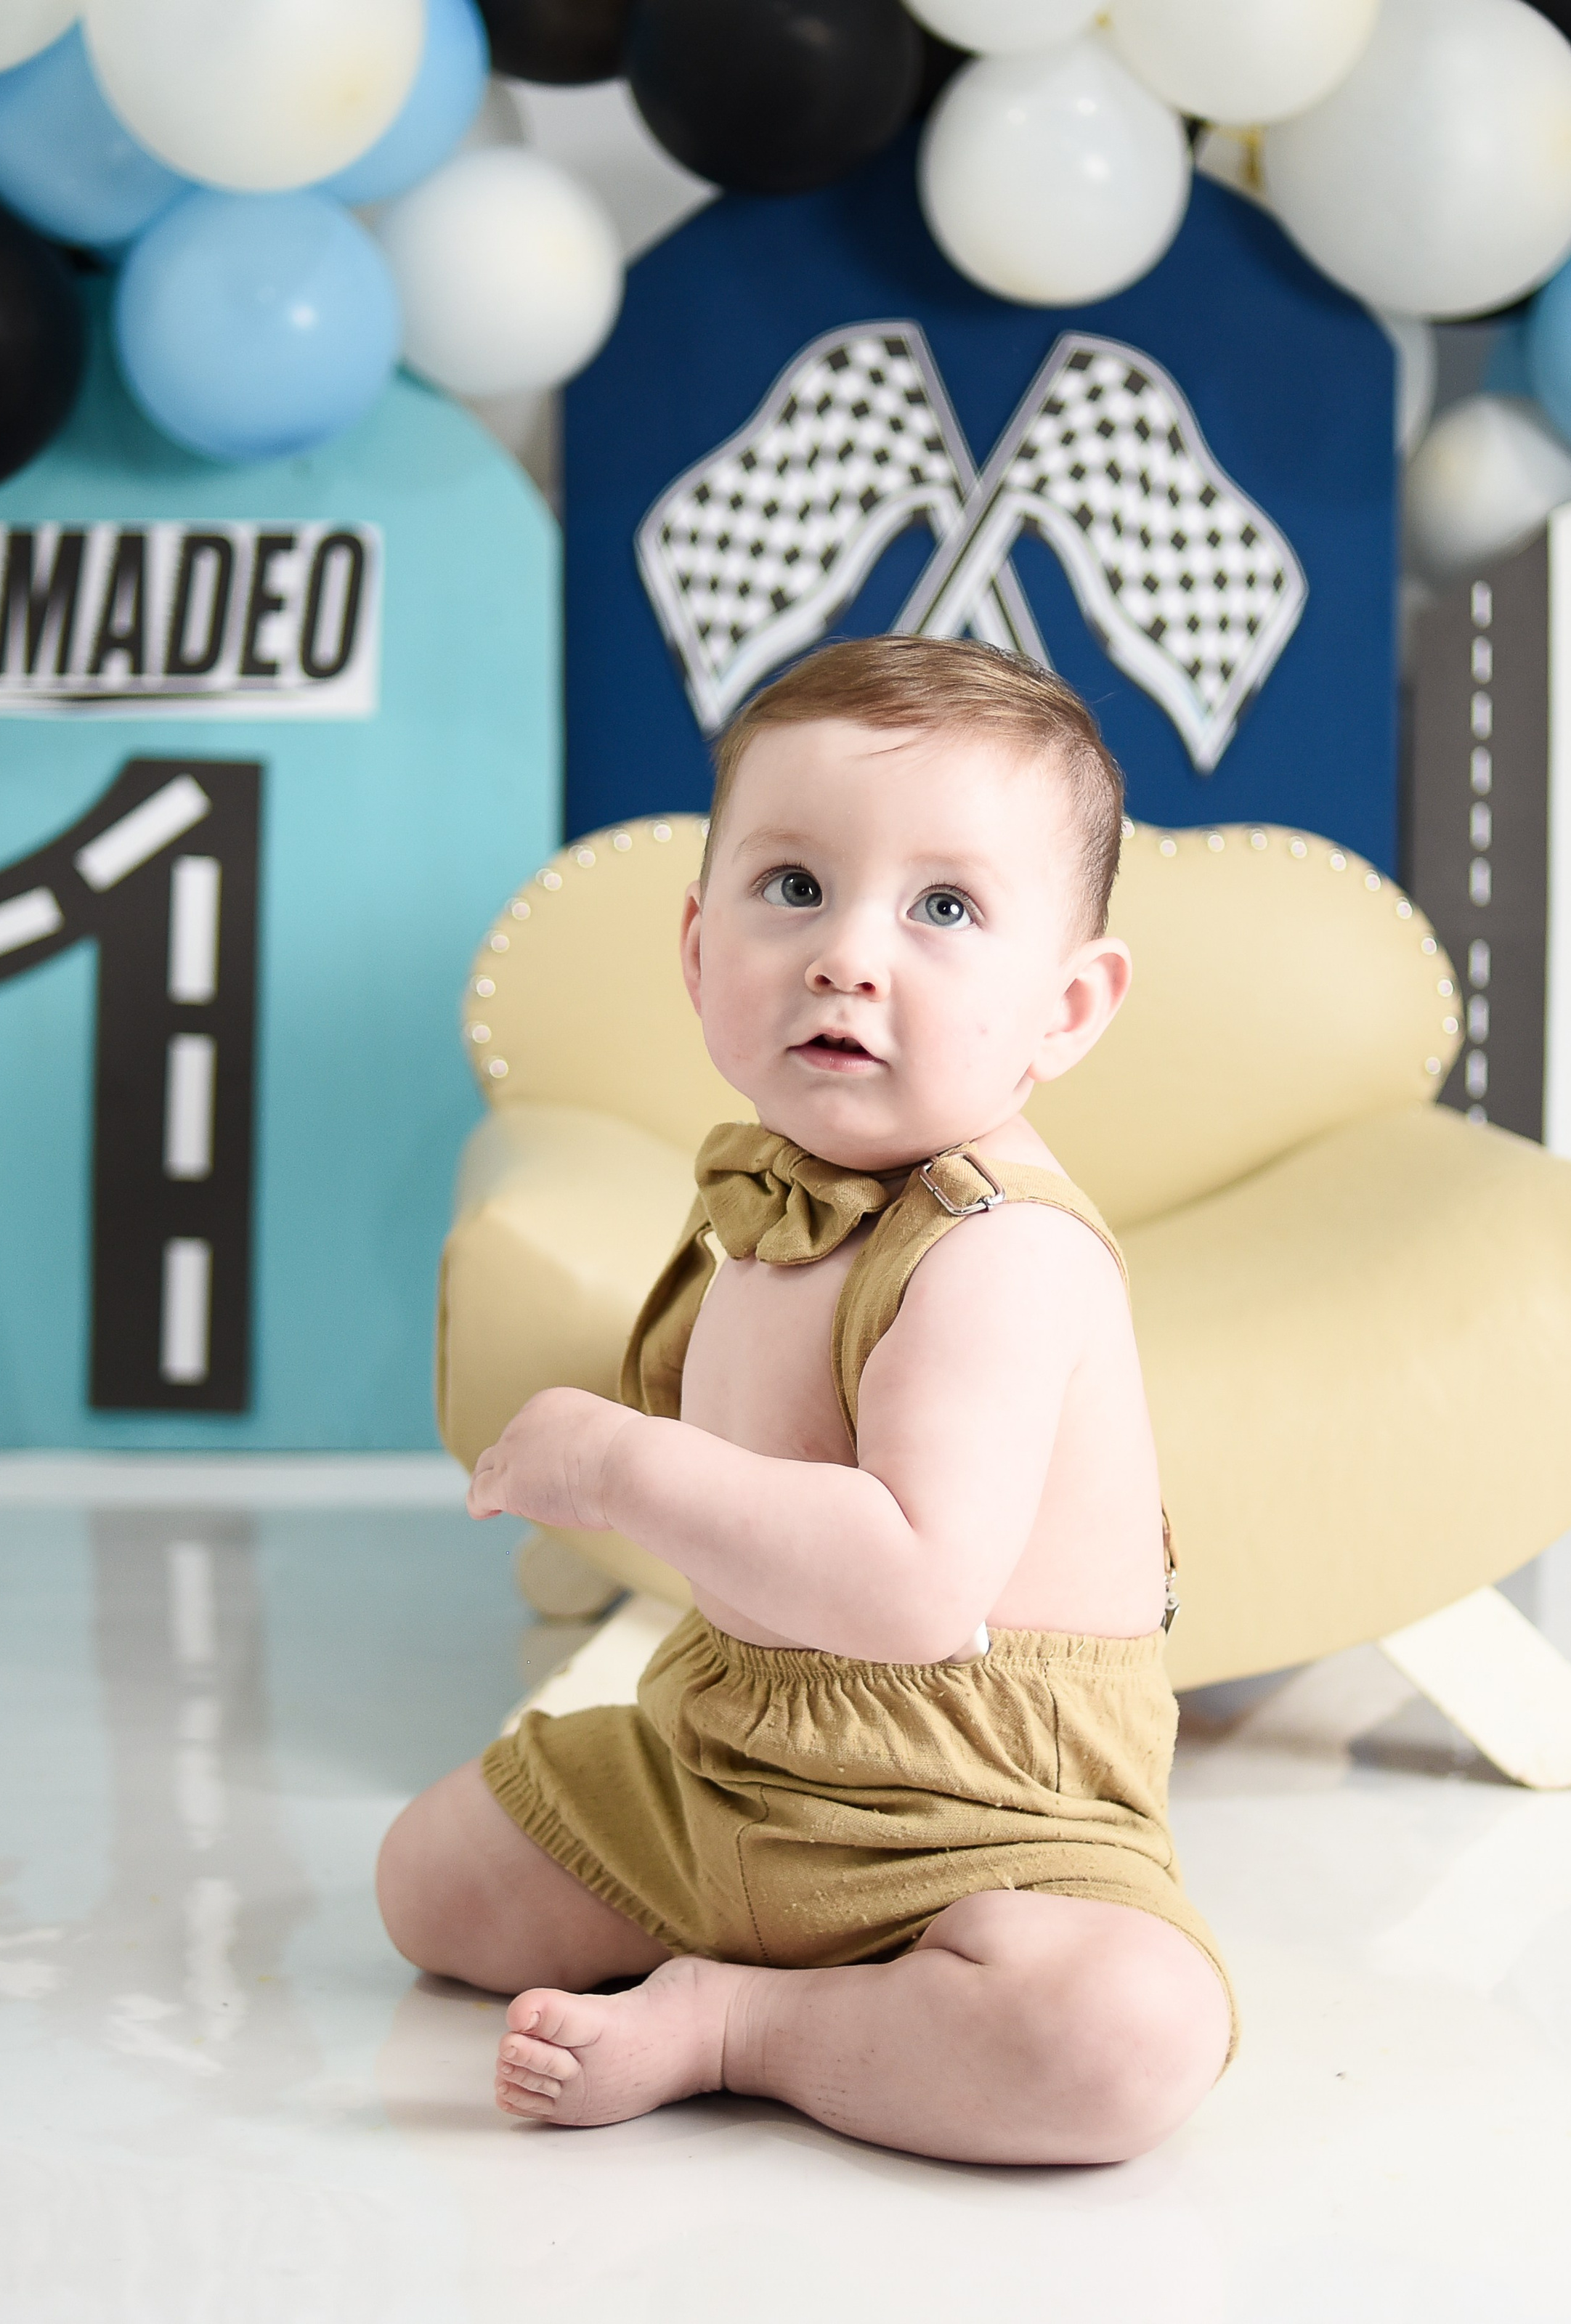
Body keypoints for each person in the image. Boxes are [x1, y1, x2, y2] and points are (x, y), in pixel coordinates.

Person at [377, 634, 1235, 2166]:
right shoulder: (770, 1203)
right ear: (700, 954)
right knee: (427, 1883)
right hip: (726, 1762)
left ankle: (740, 2022)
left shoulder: (997, 1249)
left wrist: (615, 1463)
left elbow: (907, 1584)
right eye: (793, 888)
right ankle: (780, 1959)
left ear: (1066, 1007)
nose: (848, 953)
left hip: (979, 1820)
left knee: (1117, 2040)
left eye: (944, 907)